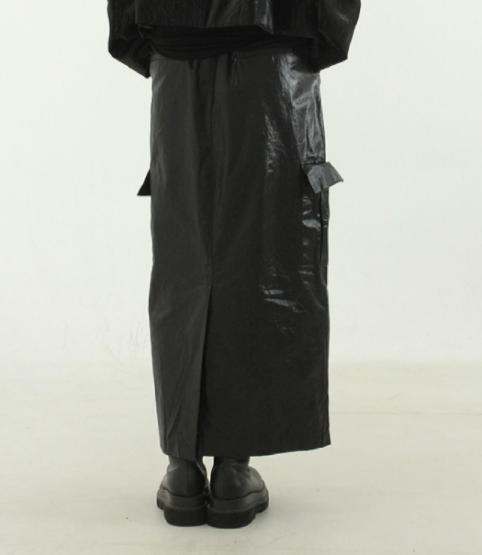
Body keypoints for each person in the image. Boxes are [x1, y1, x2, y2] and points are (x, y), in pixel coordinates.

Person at [107, 0, 362, 529]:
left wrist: (155, 40)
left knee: (184, 256)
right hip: (272, 59)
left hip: (176, 59)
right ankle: (232, 468)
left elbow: (125, 18)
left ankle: (182, 467)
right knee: (265, 255)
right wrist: (314, 38)